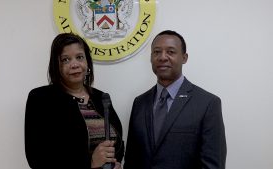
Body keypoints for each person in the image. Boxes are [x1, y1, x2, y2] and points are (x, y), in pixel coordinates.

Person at [124, 30, 227, 169]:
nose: (162, 57)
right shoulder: (139, 103)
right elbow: (131, 159)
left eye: (171, 52)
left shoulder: (208, 103)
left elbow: (213, 165)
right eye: (156, 52)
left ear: (184, 58)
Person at [25, 33, 124, 169]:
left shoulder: (102, 97)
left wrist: (115, 163)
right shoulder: (41, 98)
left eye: (79, 57)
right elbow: (37, 158)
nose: (74, 64)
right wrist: (90, 163)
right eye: (65, 60)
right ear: (56, 65)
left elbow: (118, 143)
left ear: (87, 62)